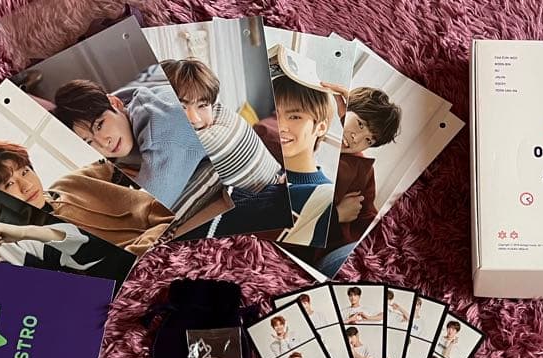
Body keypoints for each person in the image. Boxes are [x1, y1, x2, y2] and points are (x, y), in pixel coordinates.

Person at [52, 78, 224, 218]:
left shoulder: (160, 132)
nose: (104, 143)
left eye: (99, 125)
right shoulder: (128, 104)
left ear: (115, 103)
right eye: (88, 142)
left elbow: (147, 208)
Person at [0, 141, 173, 255]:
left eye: (25, 172)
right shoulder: (29, 247)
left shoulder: (69, 185)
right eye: (9, 184)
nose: (27, 185)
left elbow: (118, 162)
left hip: (169, 230)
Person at [160, 58, 292, 237]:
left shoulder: (216, 139)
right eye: (181, 107)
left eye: (202, 105)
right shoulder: (214, 119)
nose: (194, 118)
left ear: (211, 104)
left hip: (271, 200)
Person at [254, 72, 336, 247]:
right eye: (278, 115)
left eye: (295, 117)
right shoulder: (260, 171)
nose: (281, 126)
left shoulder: (326, 197)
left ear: (321, 127)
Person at [321, 84, 402, 248]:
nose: (356, 139)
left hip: (337, 247)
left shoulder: (362, 169)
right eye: (360, 124)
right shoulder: (308, 129)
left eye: (368, 140)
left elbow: (368, 217)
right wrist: (336, 216)